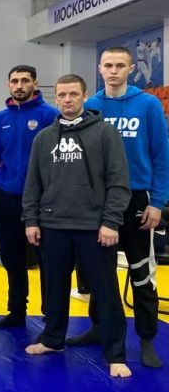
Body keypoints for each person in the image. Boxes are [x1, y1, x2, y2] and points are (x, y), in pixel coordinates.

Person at [22, 74, 131, 378]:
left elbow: (119, 181)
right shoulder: (44, 137)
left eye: (73, 94)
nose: (67, 100)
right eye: (62, 95)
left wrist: (111, 221)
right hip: (52, 223)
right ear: (55, 98)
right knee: (53, 288)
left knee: (106, 292)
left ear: (85, 96)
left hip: (94, 226)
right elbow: (33, 183)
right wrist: (31, 219)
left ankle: (115, 353)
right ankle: (53, 339)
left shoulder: (105, 133)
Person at [69, 46, 169, 369]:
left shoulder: (148, 105)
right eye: (108, 65)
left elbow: (161, 156)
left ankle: (147, 338)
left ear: (130, 69)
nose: (113, 71)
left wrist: (158, 202)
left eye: (120, 65)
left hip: (137, 198)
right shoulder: (91, 106)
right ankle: (98, 328)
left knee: (142, 272)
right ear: (100, 68)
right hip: (99, 199)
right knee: (100, 270)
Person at [0, 65, 58, 329]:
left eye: (25, 80)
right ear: (8, 84)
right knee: (11, 257)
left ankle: (51, 315)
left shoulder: (50, 115)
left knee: (46, 259)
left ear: (35, 83)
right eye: (14, 81)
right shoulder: (0, 118)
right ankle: (16, 311)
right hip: (6, 197)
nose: (19, 85)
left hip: (41, 199)